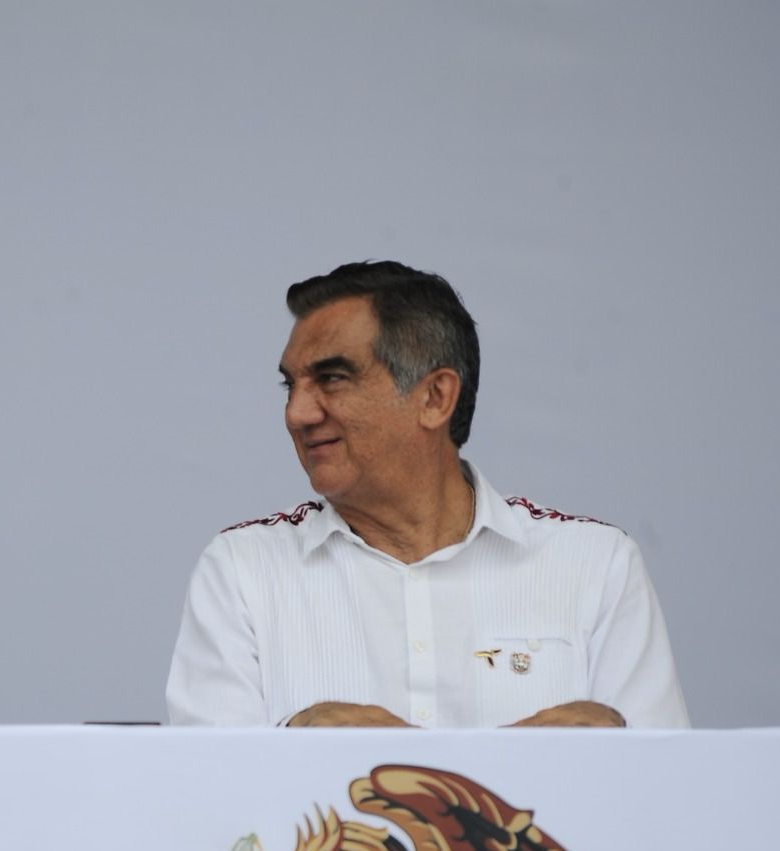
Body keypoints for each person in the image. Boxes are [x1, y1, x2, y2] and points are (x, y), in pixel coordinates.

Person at [166, 261, 687, 729]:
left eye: (333, 378)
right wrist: (295, 739)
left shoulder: (595, 565)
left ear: (435, 397)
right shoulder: (243, 571)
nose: (297, 413)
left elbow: (666, 790)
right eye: (291, 386)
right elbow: (204, 794)